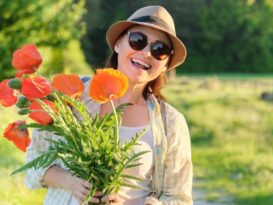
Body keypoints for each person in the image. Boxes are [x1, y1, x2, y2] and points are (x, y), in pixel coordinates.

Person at [25, 5, 193, 205]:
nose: (147, 53)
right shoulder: (72, 95)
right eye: (137, 41)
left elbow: (179, 198)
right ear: (118, 44)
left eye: (160, 49)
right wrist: (71, 182)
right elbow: (33, 162)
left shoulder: (170, 122)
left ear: (166, 64)